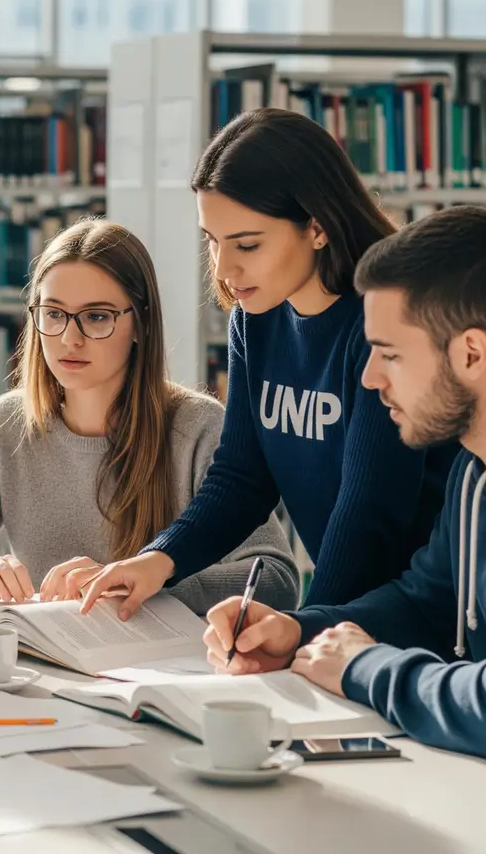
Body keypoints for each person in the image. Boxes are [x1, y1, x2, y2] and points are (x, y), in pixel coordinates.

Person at [82, 109, 459, 619]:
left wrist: (304, 633)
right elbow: (241, 477)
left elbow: (369, 514)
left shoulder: (382, 326)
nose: (224, 268)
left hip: (424, 618)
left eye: (247, 244)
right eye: (212, 241)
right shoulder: (255, 320)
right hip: (349, 616)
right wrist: (158, 558)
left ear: (318, 227)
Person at [202, 205, 486, 759]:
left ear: (471, 353)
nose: (368, 379)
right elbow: (425, 604)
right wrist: (298, 632)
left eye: (390, 354)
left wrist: (364, 666)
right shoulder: (472, 472)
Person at [0, 219, 299, 615]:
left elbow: (277, 581)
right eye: (53, 314)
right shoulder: (6, 425)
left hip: (161, 668)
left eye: (97, 317)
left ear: (141, 324)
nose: (70, 338)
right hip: (41, 667)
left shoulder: (197, 427)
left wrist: (150, 582)